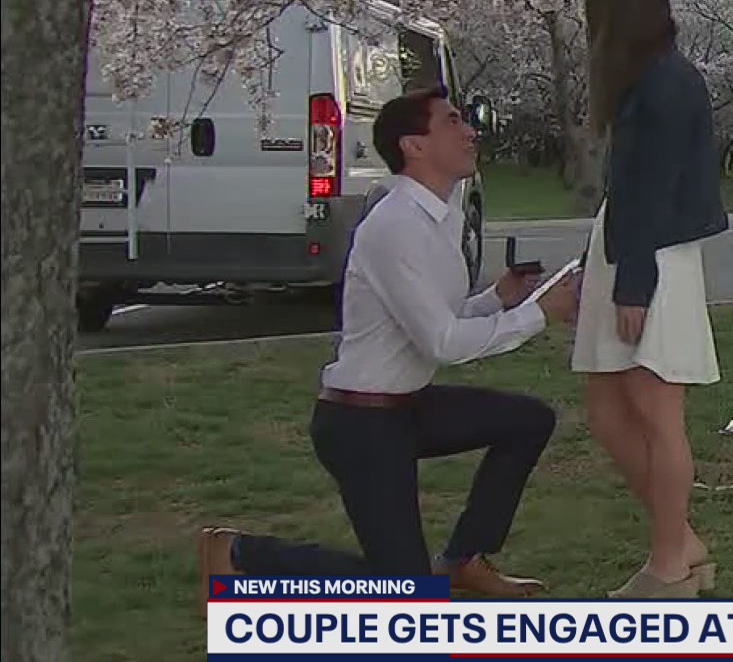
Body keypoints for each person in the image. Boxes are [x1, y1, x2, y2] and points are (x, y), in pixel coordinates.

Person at [196, 86, 581, 611]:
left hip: (407, 408)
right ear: (413, 146)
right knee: (409, 596)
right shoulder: (396, 224)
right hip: (360, 424)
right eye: (451, 123)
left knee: (528, 419)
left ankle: (464, 558)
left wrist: (499, 299)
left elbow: (434, 319)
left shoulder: (437, 217)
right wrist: (540, 314)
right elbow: (441, 341)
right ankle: (241, 552)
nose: (469, 132)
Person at [570, 0, 729, 599]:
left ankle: (670, 565)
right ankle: (681, 540)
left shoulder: (667, 84)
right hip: (629, 242)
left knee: (656, 411)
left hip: (652, 255)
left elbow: (657, 191)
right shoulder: (650, 81)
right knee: (607, 410)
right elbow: (631, 187)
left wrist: (633, 283)